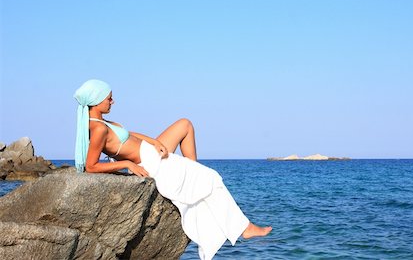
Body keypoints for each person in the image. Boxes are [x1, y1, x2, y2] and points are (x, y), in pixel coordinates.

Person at [74, 79, 272, 260]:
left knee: (185, 124)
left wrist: (154, 141)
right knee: (212, 178)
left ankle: (192, 171)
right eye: (109, 98)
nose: (112, 101)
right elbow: (91, 166)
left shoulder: (102, 122)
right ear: (96, 100)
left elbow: (130, 134)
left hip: (150, 151)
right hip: (151, 163)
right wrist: (127, 164)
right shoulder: (98, 129)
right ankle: (244, 228)